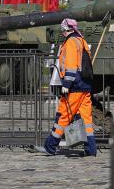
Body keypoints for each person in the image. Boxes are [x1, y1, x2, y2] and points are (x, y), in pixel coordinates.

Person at [40, 18, 97, 156]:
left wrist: (66, 84)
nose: (62, 33)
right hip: (85, 85)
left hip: (75, 86)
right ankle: (91, 150)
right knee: (86, 119)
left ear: (66, 30)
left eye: (63, 30)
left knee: (63, 115)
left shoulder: (71, 42)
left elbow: (71, 65)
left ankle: (50, 146)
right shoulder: (81, 40)